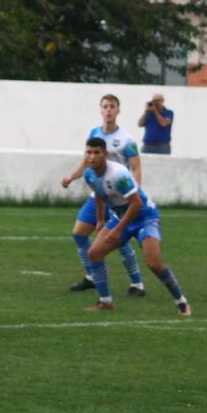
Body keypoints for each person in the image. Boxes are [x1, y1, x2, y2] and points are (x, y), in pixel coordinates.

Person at [80, 137, 189, 313]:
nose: (92, 157)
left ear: (105, 154)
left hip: (145, 217)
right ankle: (105, 302)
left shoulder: (118, 174)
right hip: (121, 216)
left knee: (153, 262)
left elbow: (137, 203)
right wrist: (100, 220)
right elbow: (99, 195)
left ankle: (181, 301)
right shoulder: (89, 173)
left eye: (96, 153)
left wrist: (117, 230)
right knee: (94, 253)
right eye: (89, 152)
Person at [61, 94, 145, 296]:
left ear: (118, 110)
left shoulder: (127, 140)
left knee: (119, 241)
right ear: (100, 110)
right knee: (79, 233)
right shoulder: (94, 133)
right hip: (99, 194)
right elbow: (86, 160)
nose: (108, 110)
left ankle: (137, 284)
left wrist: (135, 190)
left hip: (118, 197)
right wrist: (72, 176)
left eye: (112, 106)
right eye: (105, 106)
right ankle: (91, 276)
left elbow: (136, 167)